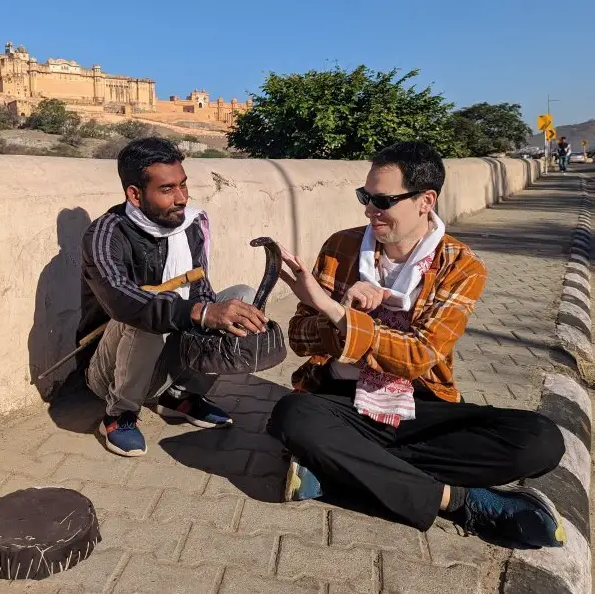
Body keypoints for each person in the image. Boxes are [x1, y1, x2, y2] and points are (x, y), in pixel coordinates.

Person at [267, 141, 566, 549]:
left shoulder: (460, 265)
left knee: (541, 440)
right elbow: (300, 339)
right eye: (365, 197)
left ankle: (340, 467)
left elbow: (418, 357)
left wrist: (338, 315)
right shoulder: (341, 247)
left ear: (426, 201)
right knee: (292, 414)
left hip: (420, 405)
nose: (369, 209)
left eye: (383, 200)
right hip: (341, 400)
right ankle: (458, 500)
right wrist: (339, 306)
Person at [78, 137, 267, 457]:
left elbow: (201, 287)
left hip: (167, 354)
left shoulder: (188, 226)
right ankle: (119, 413)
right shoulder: (106, 233)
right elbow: (124, 302)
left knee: (242, 299)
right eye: (167, 189)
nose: (181, 198)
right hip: (111, 369)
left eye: (183, 186)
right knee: (146, 313)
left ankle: (179, 395)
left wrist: (212, 309)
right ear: (135, 195)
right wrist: (203, 313)